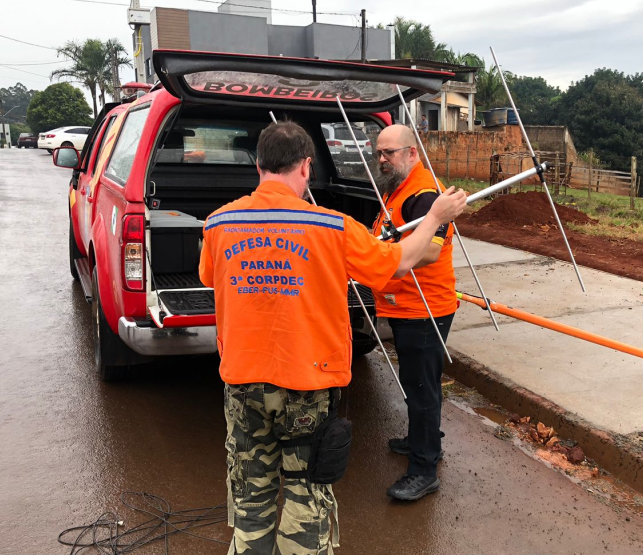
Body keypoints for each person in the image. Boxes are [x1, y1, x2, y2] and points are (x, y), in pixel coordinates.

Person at [199, 121, 466, 554]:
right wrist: (435, 217)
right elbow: (399, 262)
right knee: (306, 496)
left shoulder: (218, 223)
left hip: (243, 382)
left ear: (258, 165)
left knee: (251, 496)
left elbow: (210, 277)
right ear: (306, 167)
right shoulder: (333, 228)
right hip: (309, 385)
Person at [371, 124, 457, 502]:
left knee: (422, 390)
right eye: (379, 153)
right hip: (406, 305)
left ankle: (424, 469)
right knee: (417, 382)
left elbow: (428, 251)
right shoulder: (400, 188)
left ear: (412, 153)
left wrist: (381, 263)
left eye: (390, 152)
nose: (383, 159)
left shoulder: (423, 194)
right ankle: (425, 439)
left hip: (425, 309)